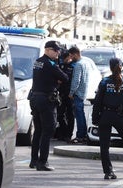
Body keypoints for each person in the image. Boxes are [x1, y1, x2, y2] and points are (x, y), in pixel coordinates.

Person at [28, 40, 68, 171]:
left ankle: (34, 160)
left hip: (35, 98)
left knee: (38, 130)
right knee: (48, 130)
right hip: (45, 99)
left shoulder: (38, 61)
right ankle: (42, 162)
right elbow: (65, 78)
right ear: (48, 50)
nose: (58, 53)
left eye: (59, 51)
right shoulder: (50, 64)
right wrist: (56, 79)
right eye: (56, 50)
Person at [68, 46, 90, 144]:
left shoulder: (78, 65)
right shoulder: (86, 63)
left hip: (77, 93)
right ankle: (83, 134)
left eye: (71, 55)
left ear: (76, 54)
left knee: (79, 115)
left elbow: (76, 80)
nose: (71, 58)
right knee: (81, 114)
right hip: (83, 92)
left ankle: (80, 136)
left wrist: (71, 92)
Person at [55, 52, 75, 142]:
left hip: (70, 94)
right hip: (62, 93)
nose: (66, 60)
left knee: (70, 115)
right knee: (60, 114)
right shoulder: (61, 66)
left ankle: (68, 134)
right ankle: (62, 132)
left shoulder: (73, 67)